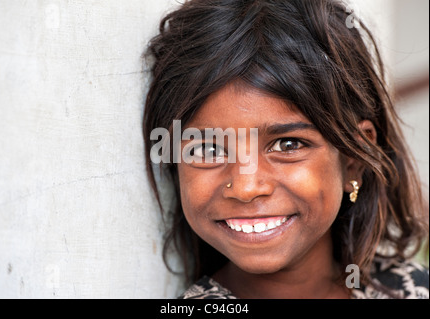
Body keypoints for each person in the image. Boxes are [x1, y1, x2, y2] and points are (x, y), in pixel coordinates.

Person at [142, 0, 429, 299]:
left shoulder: (411, 288)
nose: (246, 187)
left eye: (287, 145)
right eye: (209, 150)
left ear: (353, 158)